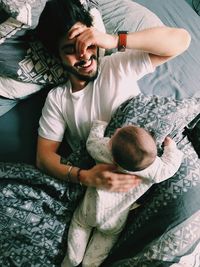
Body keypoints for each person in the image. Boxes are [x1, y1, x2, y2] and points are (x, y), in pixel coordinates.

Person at [36, 0, 190, 193]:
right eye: (70, 50)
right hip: (107, 189)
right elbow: (44, 158)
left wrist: (115, 41)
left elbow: (182, 40)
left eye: (87, 44)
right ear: (57, 56)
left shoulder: (115, 65)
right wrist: (84, 177)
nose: (84, 55)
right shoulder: (58, 99)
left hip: (159, 163)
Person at [61, 120, 183, 267]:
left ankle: (72, 260)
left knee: (80, 225)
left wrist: (99, 125)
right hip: (114, 220)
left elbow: (92, 142)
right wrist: (171, 147)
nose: (118, 129)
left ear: (110, 148)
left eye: (117, 133)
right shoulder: (154, 170)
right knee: (101, 248)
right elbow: (170, 166)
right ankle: (90, 264)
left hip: (90, 211)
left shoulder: (104, 152)